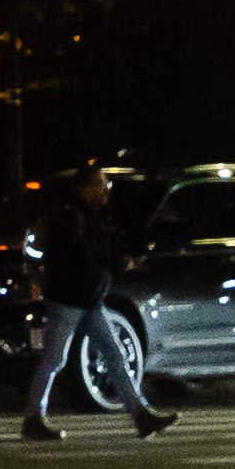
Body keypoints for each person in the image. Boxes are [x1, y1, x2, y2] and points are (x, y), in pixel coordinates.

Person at [19, 165, 175, 443]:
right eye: (102, 185)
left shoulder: (88, 217)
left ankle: (141, 416)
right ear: (85, 188)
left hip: (88, 300)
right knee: (55, 359)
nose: (107, 190)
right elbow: (73, 260)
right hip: (70, 300)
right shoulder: (72, 218)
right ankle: (33, 419)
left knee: (114, 355)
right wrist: (106, 265)